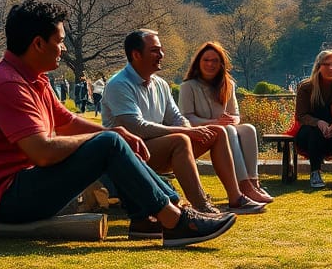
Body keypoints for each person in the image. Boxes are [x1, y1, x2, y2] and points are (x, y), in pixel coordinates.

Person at [0, 0, 236, 247]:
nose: (64, 48)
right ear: (37, 44)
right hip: (5, 199)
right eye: (60, 40)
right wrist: (107, 138)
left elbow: (67, 122)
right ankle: (176, 222)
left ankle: (151, 217)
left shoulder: (34, 79)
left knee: (112, 138)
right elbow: (42, 152)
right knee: (108, 142)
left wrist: (114, 133)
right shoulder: (9, 85)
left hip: (25, 186)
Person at [102, 30, 265, 215]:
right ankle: (202, 207)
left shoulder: (160, 84)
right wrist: (188, 133)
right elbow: (136, 127)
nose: (161, 55)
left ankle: (236, 198)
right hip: (129, 154)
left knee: (217, 133)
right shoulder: (119, 84)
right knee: (181, 139)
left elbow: (177, 117)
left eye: (161, 50)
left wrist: (193, 131)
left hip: (154, 149)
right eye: (155, 50)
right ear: (136, 55)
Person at [179, 41, 273, 204]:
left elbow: (235, 114)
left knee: (248, 129)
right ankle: (243, 185)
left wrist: (231, 120)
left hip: (225, 128)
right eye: (206, 60)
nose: (210, 64)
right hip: (201, 131)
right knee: (228, 131)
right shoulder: (188, 86)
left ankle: (253, 181)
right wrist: (215, 122)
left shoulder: (228, 85)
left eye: (215, 60)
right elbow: (186, 118)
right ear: (198, 63)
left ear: (221, 63)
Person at [294, 50, 332, 189]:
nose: (331, 68)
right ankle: (315, 172)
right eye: (327, 65)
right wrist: (318, 123)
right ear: (319, 67)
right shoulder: (306, 87)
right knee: (315, 132)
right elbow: (301, 115)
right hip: (310, 132)